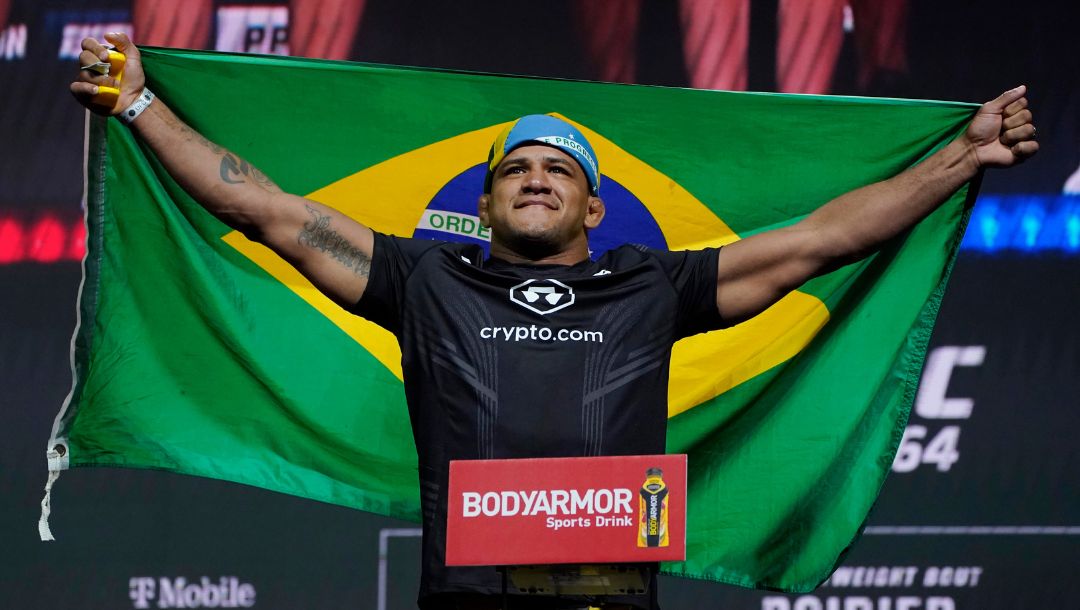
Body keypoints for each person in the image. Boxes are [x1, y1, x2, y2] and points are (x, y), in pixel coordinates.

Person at [70, 33, 1037, 610]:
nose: (536, 178)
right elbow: (266, 209)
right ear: (484, 207)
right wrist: (142, 101)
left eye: (559, 170)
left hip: (606, 598)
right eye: (515, 170)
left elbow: (818, 242)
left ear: (591, 208)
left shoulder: (649, 285)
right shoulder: (423, 279)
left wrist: (963, 157)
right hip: (467, 602)